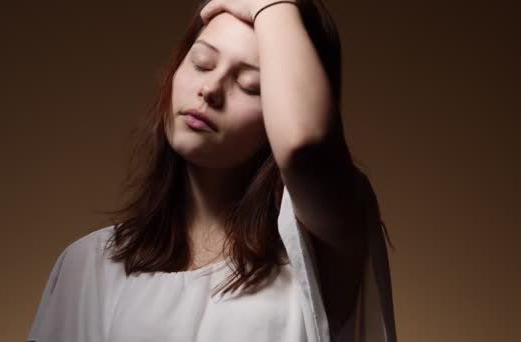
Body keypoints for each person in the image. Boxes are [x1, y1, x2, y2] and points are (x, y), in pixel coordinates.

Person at [26, 0, 398, 341]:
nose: (210, 89)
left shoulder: (319, 245)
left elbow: (305, 145)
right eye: (202, 62)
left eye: (251, 85)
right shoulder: (87, 266)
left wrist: (272, 3)